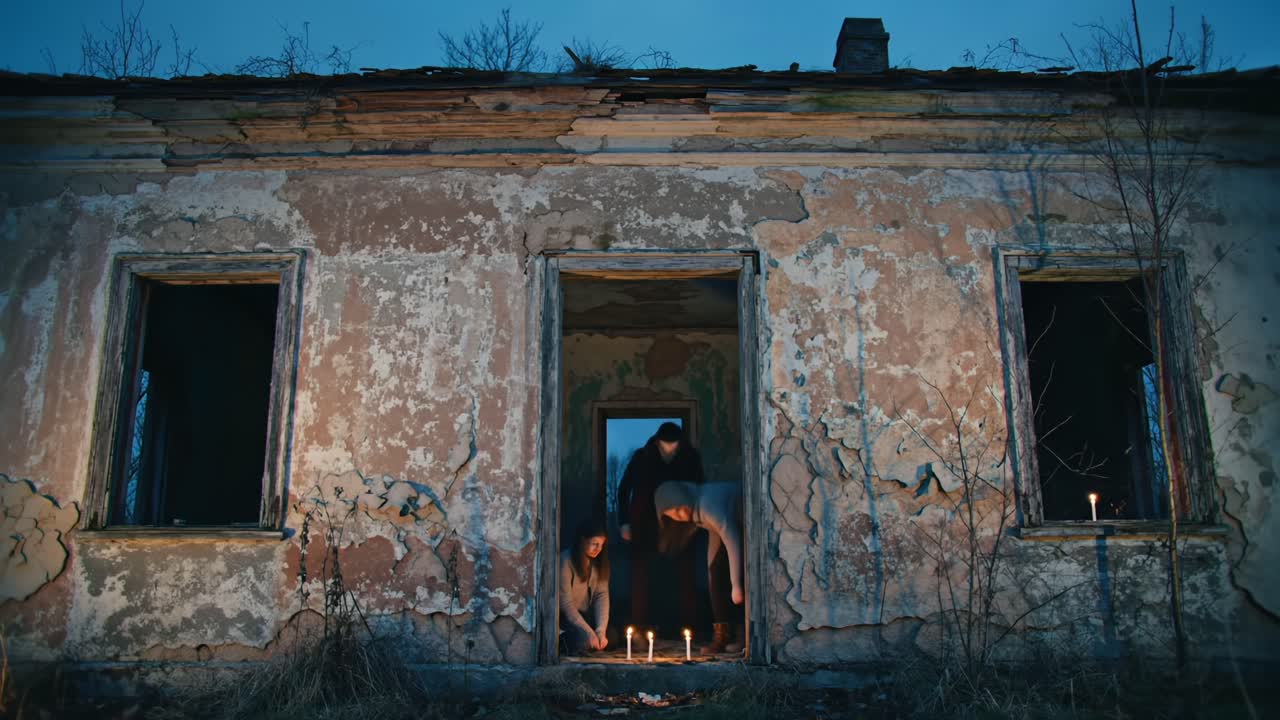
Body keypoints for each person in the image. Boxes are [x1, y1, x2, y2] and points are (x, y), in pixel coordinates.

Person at [615, 421, 705, 631]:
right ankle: (639, 627)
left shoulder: (690, 457)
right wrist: (624, 522)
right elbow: (623, 488)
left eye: (674, 446)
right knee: (641, 573)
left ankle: (687, 628)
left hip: (680, 525)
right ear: (657, 441)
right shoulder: (641, 457)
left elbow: (699, 489)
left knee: (684, 573)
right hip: (643, 523)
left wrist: (698, 521)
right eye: (665, 445)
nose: (670, 450)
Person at [653, 480, 744, 655]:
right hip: (734, 524)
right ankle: (722, 636)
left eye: (679, 508)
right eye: (674, 514)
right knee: (716, 573)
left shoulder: (707, 505)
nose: (680, 514)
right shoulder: (699, 512)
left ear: (684, 497)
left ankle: (742, 636)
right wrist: (712, 572)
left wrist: (736, 584)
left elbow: (731, 537)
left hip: (745, 521)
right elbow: (715, 538)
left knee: (741, 583)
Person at [559, 518, 611, 654]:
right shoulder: (565, 560)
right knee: (581, 640)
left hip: (588, 618)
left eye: (601, 545)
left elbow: (602, 596)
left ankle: (593, 640)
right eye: (594, 544)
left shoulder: (599, 563)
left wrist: (600, 630)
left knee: (613, 636)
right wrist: (588, 632)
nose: (598, 549)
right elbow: (565, 604)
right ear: (583, 540)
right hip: (568, 620)